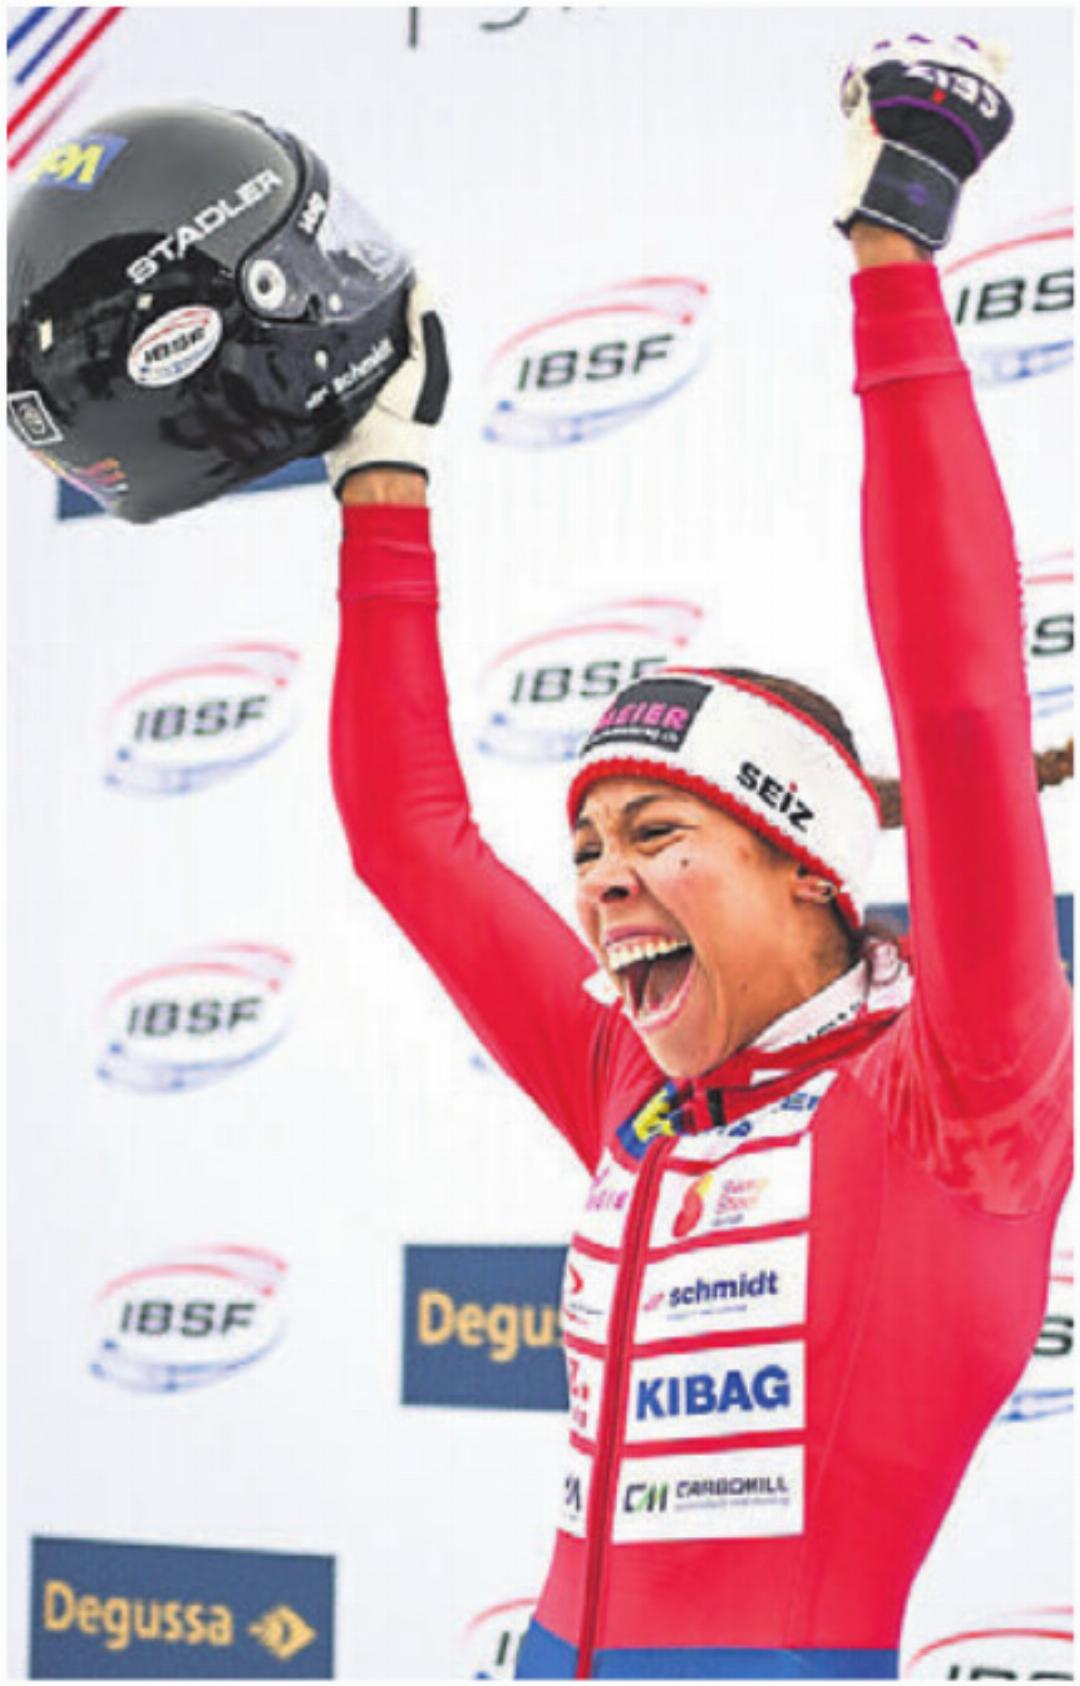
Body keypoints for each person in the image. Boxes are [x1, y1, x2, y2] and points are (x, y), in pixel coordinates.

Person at [325, 37, 1071, 1682]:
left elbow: (962, 713)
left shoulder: (961, 1092)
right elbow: (409, 838)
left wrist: (894, 255)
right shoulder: (634, 1078)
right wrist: (381, 471)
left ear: (810, 867)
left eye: (656, 833)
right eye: (586, 844)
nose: (599, 882)